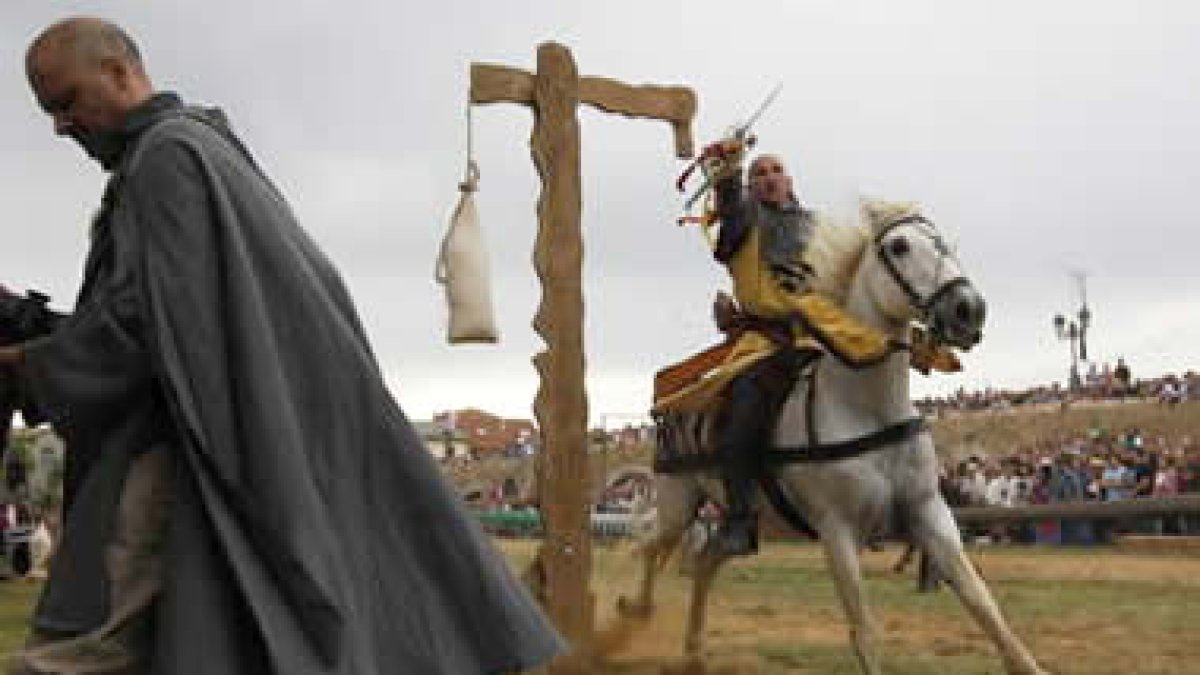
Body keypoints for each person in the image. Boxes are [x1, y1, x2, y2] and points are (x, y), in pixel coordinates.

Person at [0, 17, 563, 674]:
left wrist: (26, 366)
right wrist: (30, 322)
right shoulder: (202, 151)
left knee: (83, 649)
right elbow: (171, 315)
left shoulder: (168, 160)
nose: (62, 126)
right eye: (48, 112)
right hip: (203, 440)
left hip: (172, 452)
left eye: (66, 102)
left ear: (120, 72)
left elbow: (141, 331)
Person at [699, 147, 894, 556]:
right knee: (744, 410)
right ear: (751, 187)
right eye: (760, 173)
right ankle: (739, 521)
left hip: (820, 336)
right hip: (765, 345)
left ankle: (896, 499)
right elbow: (729, 223)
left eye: (777, 170)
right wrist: (728, 177)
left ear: (790, 181)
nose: (770, 177)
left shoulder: (818, 228)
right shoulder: (742, 223)